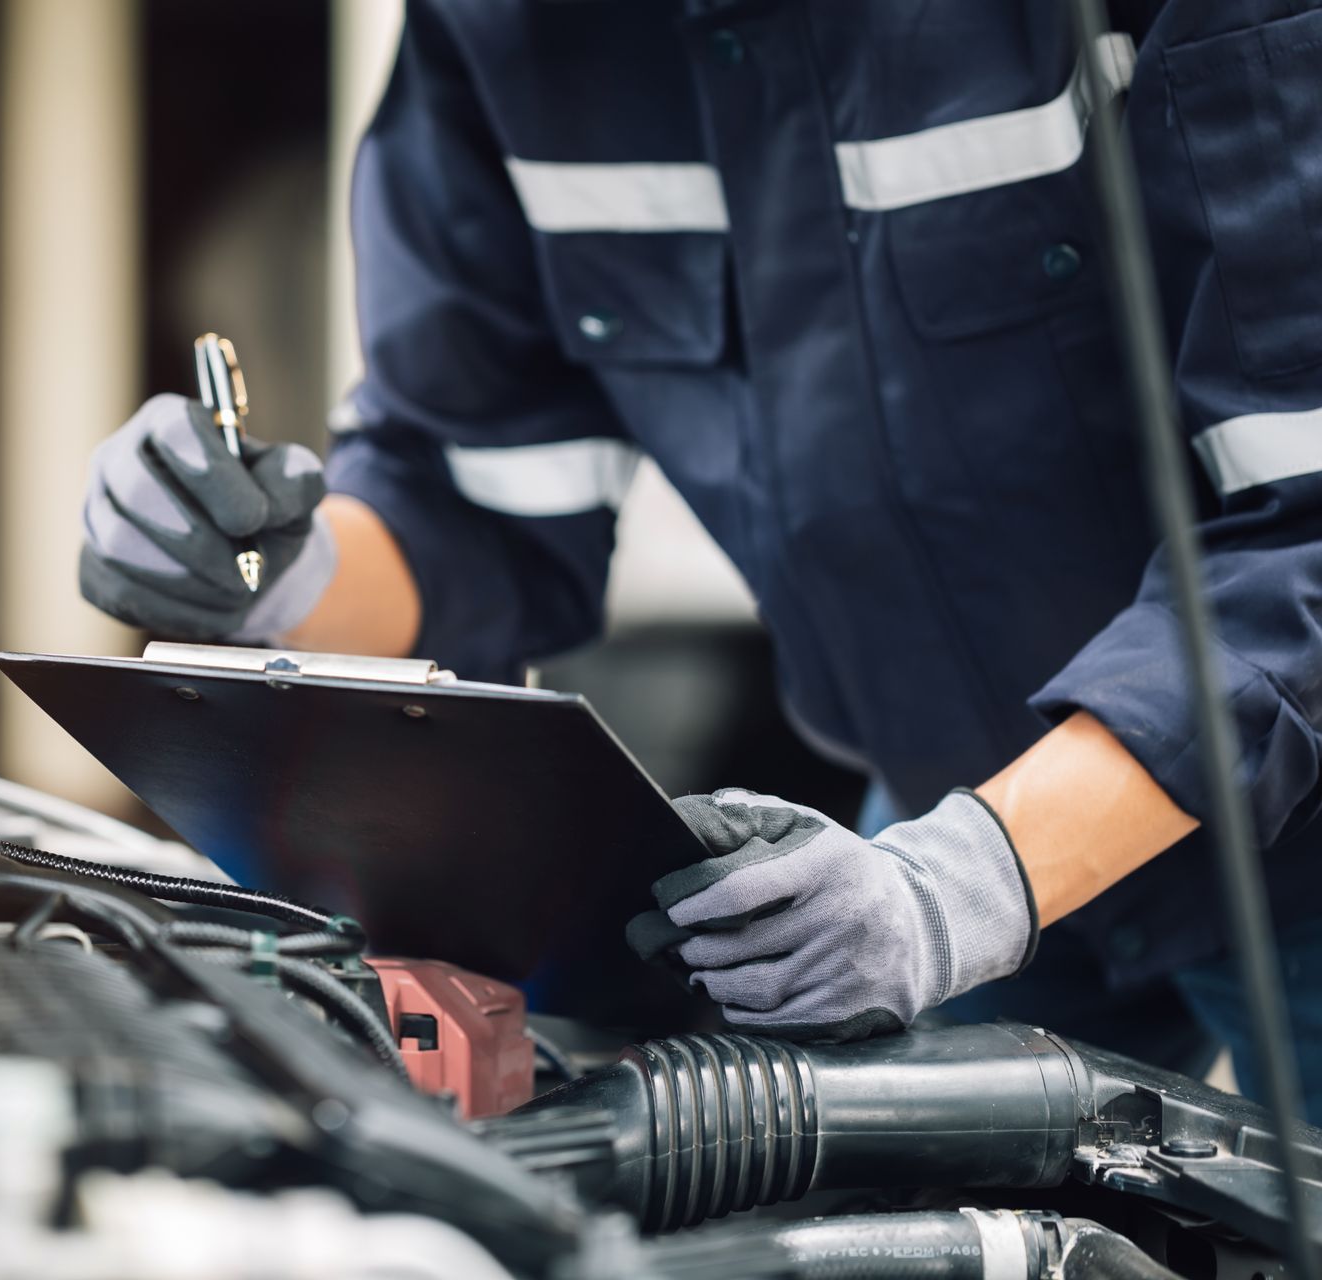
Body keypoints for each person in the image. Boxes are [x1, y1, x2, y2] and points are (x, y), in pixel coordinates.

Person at [78, 1, 1322, 1104]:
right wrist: (265, 574)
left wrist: (965, 884)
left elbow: (1306, 533)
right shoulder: (501, 36)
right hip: (944, 806)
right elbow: (464, 501)